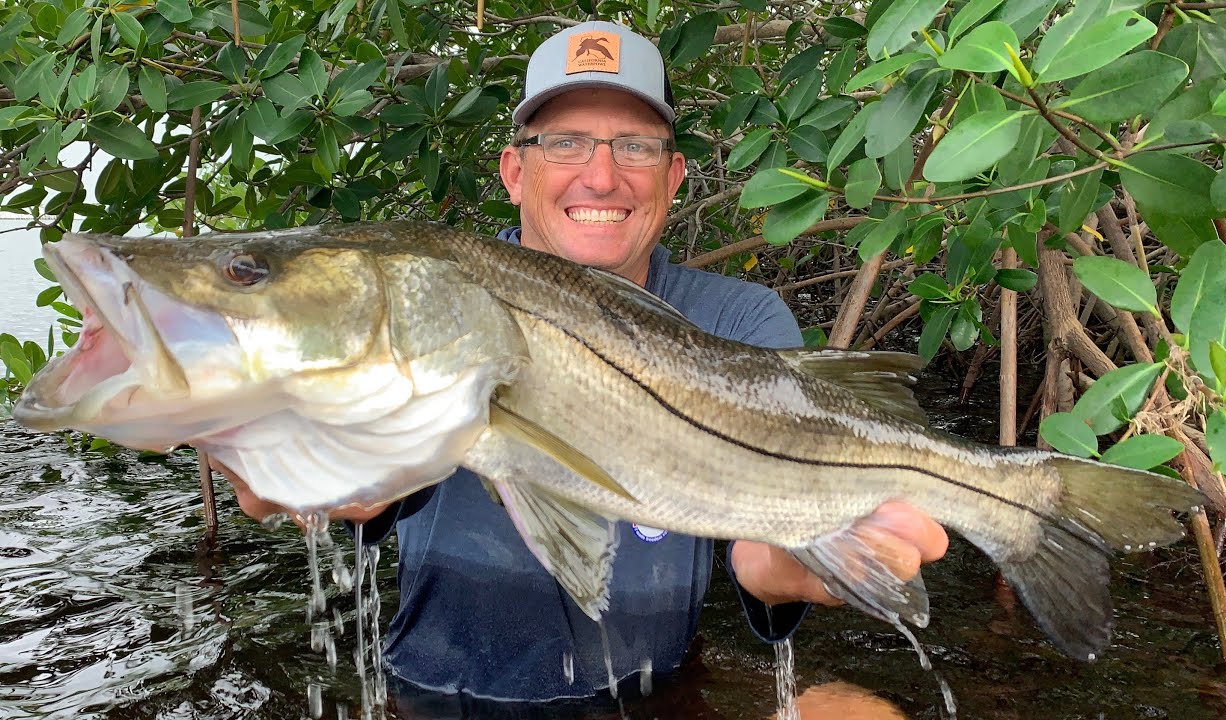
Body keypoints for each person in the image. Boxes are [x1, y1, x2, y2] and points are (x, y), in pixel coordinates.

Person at [223, 20, 947, 707]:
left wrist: (801, 563)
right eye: (565, 143)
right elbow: (361, 491)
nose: (601, 177)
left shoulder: (740, 320)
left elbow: (759, 554)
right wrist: (307, 467)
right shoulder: (434, 297)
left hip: (657, 697)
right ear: (515, 170)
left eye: (635, 147)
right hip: (433, 699)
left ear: (674, 175)